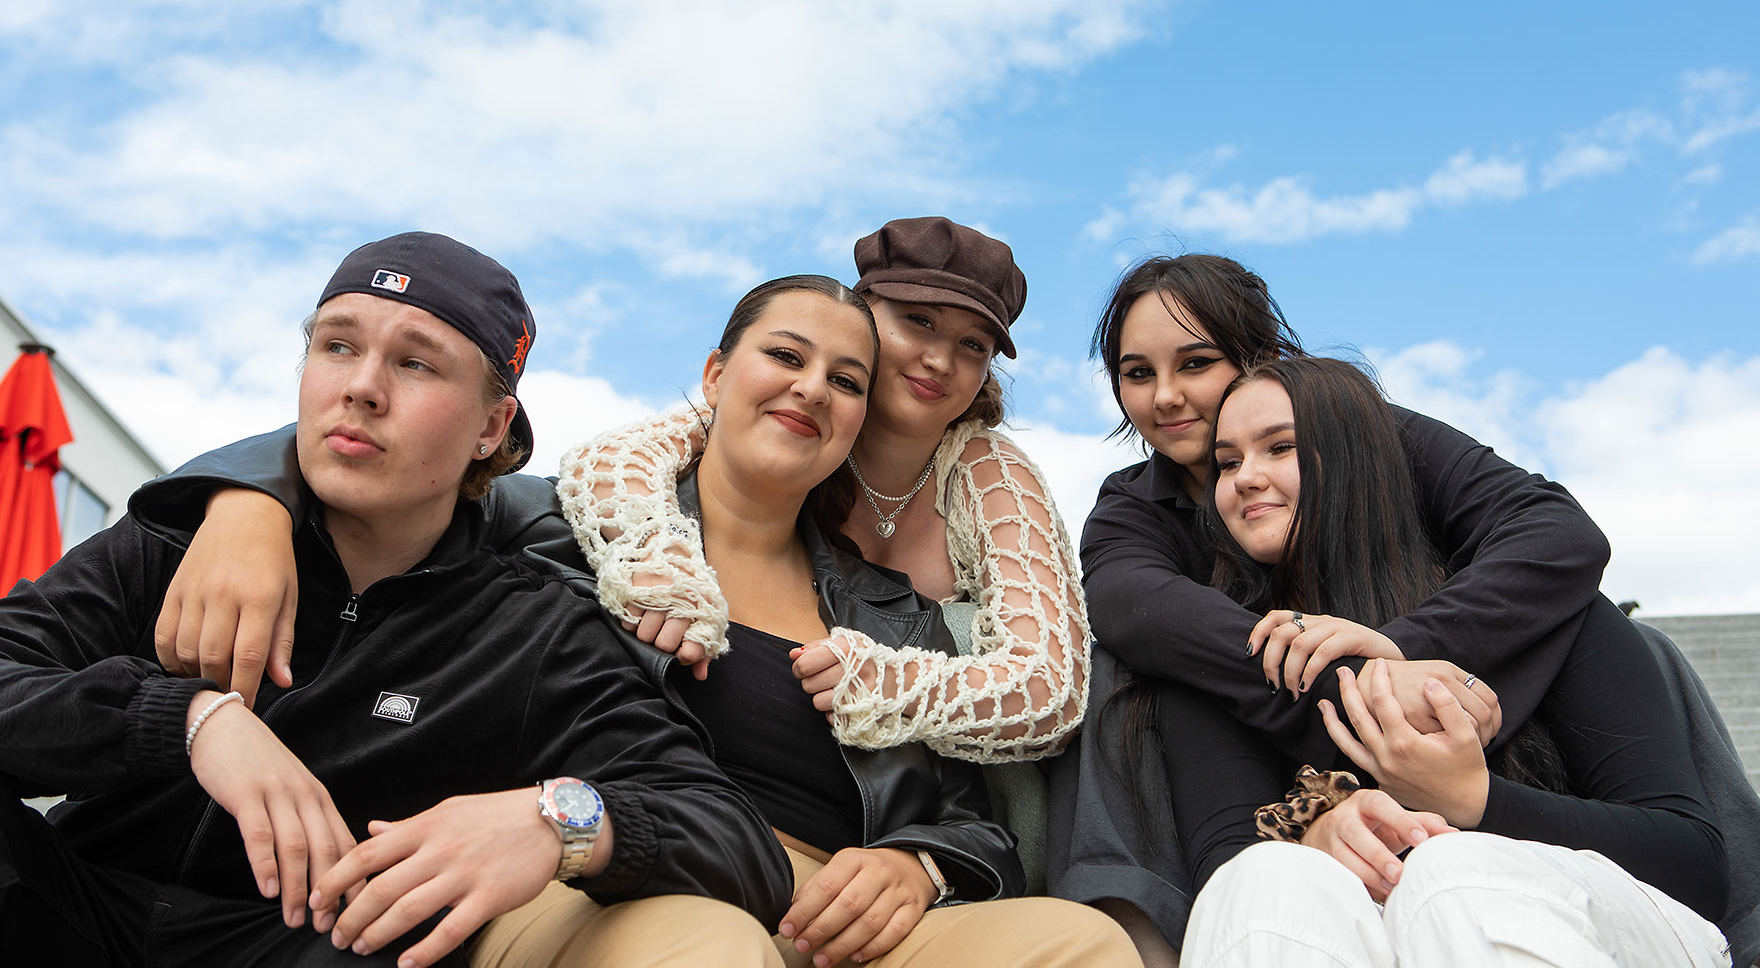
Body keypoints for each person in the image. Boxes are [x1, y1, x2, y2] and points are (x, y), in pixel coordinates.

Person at [129, 272, 1140, 966]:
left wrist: (920, 864)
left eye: (846, 381)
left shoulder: (889, 619)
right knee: (709, 950)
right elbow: (388, 457)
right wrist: (246, 501)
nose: (810, 390)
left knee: (1079, 945)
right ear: (713, 375)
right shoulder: (560, 523)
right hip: (603, 864)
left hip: (833, 907)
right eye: (784, 356)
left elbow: (975, 819)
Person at [0, 232, 792, 967]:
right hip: (69, 908)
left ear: (492, 427)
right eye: (337, 346)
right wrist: (185, 720)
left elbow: (737, 841)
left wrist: (558, 819)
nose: (362, 389)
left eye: (416, 364)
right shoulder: (180, 542)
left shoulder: (531, 631)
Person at [1046, 252, 1760, 966]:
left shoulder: (1395, 447)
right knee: (1255, 859)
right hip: (1304, 824)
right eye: (1137, 373)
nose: (1165, 396)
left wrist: (1412, 668)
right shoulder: (1152, 530)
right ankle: (1132, 926)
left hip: (1553, 880)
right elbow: (1133, 605)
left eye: (1196, 364)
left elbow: (1558, 534)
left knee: (1450, 875)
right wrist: (1343, 753)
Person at [1166, 357, 1728, 965]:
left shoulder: (1542, 612)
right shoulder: (1223, 649)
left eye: (1281, 447)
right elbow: (1226, 864)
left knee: (1447, 869)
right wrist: (1314, 834)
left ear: (1357, 461)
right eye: (1226, 463)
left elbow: (1694, 865)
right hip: (1357, 937)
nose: (1246, 477)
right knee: (1263, 879)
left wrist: (1474, 801)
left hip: (1599, 922)